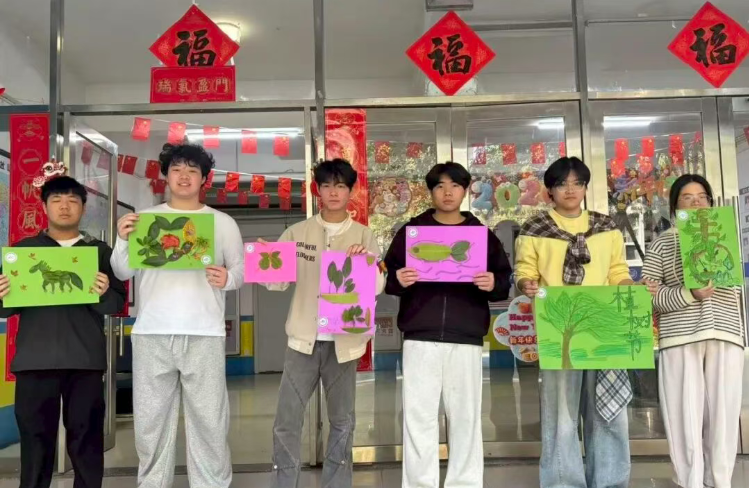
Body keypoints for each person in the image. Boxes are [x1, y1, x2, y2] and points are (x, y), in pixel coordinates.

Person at [110, 143, 244, 488]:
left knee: (210, 421)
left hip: (205, 333)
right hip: (151, 333)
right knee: (150, 422)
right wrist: (122, 239)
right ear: (166, 176)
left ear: (204, 179)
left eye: (192, 171)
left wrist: (227, 279)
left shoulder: (223, 223)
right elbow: (122, 272)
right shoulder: (145, 219)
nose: (184, 176)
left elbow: (241, 270)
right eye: (177, 169)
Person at [383, 162, 512, 488]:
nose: (448, 192)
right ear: (431, 192)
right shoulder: (411, 232)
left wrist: (493, 283)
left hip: (465, 337)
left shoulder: (481, 236)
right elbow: (387, 276)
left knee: (465, 418)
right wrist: (398, 279)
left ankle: (464, 483)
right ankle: (419, 484)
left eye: (455, 185)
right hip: (420, 336)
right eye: (440, 186)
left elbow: (503, 279)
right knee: (418, 418)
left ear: (465, 190)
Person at [261, 158, 386, 488]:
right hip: (302, 340)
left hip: (344, 343)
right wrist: (265, 261)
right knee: (287, 419)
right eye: (327, 185)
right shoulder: (297, 232)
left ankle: (337, 483)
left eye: (340, 186)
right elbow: (277, 283)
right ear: (317, 190)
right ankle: (285, 483)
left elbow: (377, 287)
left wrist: (365, 264)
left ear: (351, 191)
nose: (333, 192)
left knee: (342, 421)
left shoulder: (364, 235)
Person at [514, 157, 635, 488]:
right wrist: (526, 284)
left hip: (603, 326)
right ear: (550, 191)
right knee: (561, 417)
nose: (570, 190)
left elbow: (618, 272)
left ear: (585, 188)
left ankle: (610, 481)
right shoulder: (535, 229)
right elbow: (525, 270)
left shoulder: (606, 227)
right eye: (562, 184)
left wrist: (630, 289)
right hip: (558, 329)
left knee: (608, 410)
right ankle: (562, 482)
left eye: (577, 183)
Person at [0, 176, 126, 488]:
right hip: (34, 361)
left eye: (72, 200)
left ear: (83, 207)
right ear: (44, 207)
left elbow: (115, 305)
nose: (64, 206)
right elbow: (4, 309)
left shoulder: (99, 252)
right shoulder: (23, 252)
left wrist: (103, 292)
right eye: (56, 200)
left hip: (84, 362)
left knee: (86, 441)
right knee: (35, 443)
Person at [642, 174, 744, 488]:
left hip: (725, 333)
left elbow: (736, 290)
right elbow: (649, 296)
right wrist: (689, 294)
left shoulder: (725, 237)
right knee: (684, 413)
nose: (696, 203)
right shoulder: (662, 242)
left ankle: (720, 480)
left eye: (702, 197)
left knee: (724, 413)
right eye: (687, 198)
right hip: (680, 336)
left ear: (710, 203)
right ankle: (690, 481)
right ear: (675, 206)